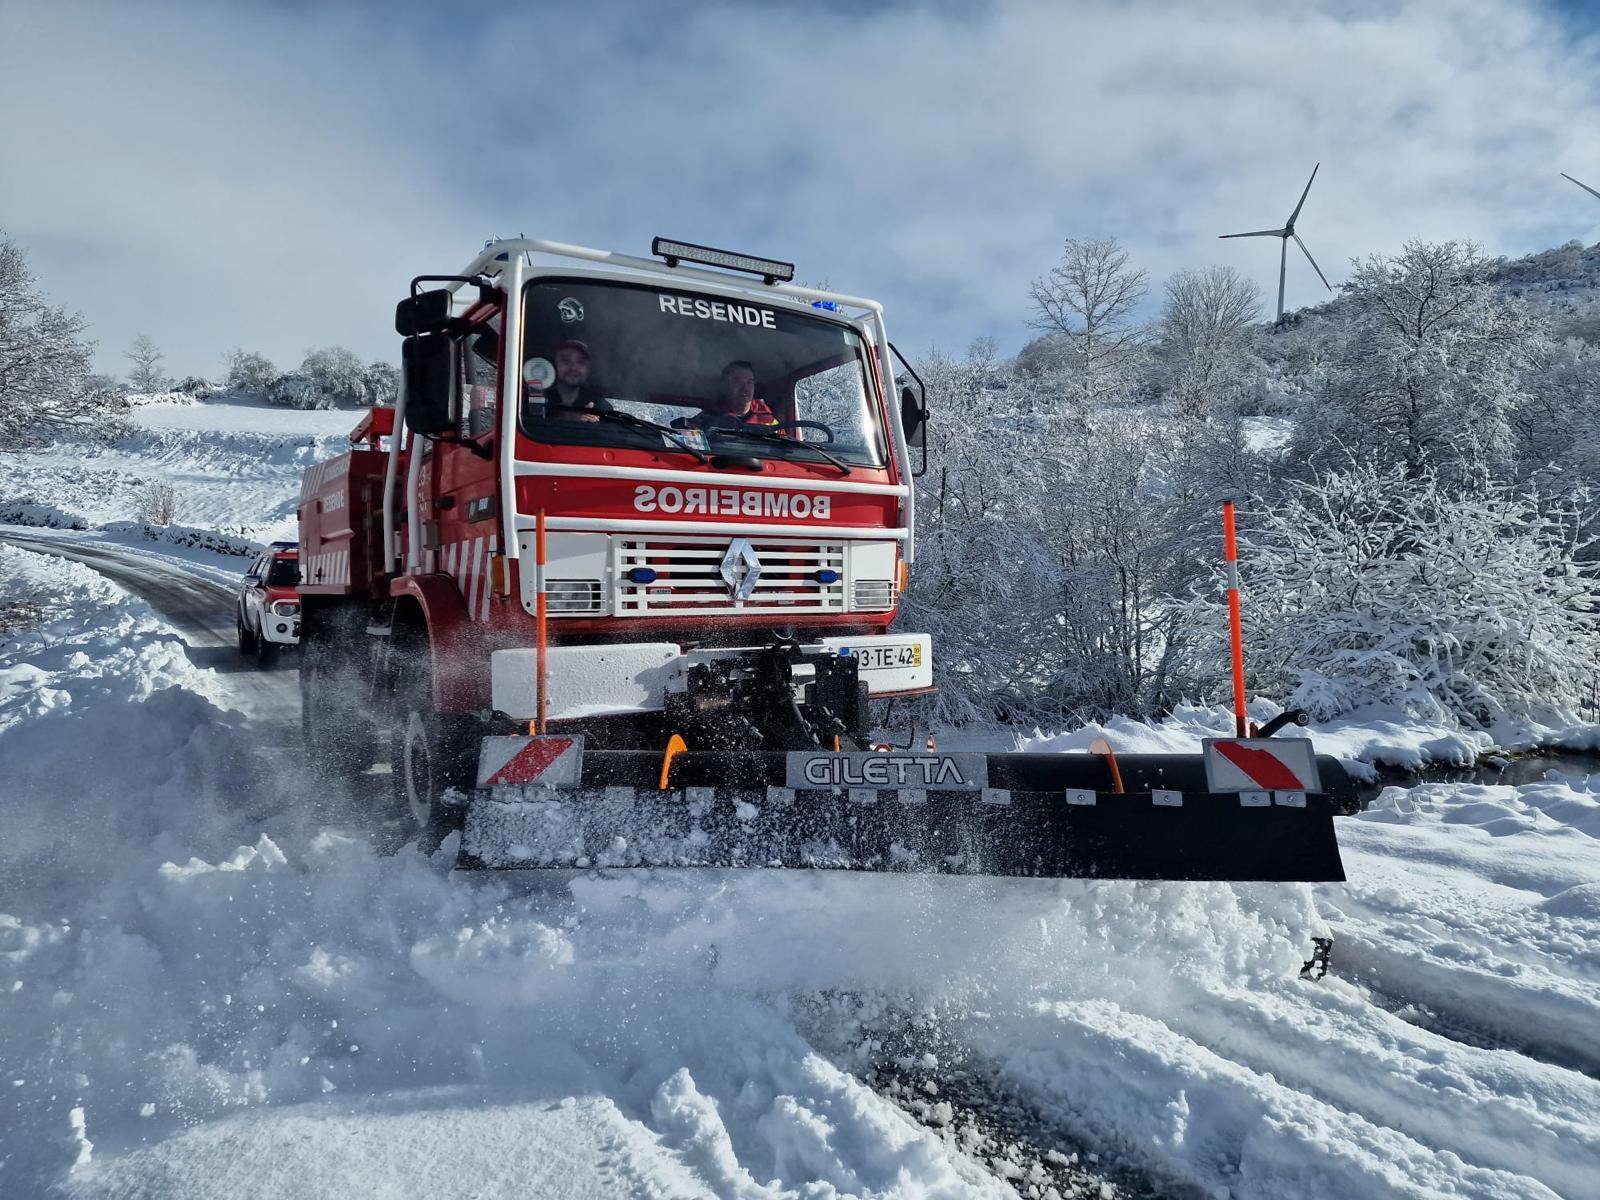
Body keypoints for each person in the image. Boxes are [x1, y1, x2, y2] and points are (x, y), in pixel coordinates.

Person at [680, 361, 781, 432]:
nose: (745, 388)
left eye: (749, 382)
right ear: (725, 386)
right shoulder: (708, 418)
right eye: (737, 381)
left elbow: (785, 449)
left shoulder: (770, 420)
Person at [528, 340, 611, 423]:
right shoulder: (533, 398)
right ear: (553, 365)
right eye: (566, 361)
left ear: (589, 369)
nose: (573, 368)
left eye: (581, 362)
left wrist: (594, 423)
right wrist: (570, 419)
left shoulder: (599, 405)